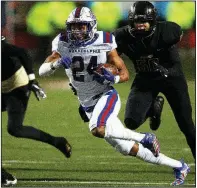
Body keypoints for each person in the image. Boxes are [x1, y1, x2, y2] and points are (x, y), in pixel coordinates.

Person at [39, 7, 190, 186]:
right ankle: (179, 166)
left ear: (92, 26)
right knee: (126, 148)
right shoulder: (62, 42)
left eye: (82, 27)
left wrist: (113, 77)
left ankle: (144, 137)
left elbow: (124, 74)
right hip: (87, 103)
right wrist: (55, 64)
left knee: (98, 129)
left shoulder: (105, 41)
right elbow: (42, 71)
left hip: (105, 95)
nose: (77, 31)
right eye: (74, 27)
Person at [112, 1, 196, 159]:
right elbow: (110, 57)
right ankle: (153, 109)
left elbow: (174, 61)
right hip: (145, 79)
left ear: (152, 21)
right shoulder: (122, 36)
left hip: (172, 79)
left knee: (186, 124)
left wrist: (165, 71)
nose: (141, 25)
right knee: (131, 122)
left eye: (144, 21)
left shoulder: (167, 31)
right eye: (137, 21)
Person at [1, 36, 71, 167]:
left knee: (15, 129)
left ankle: (56, 141)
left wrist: (32, 80)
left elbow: (22, 52)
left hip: (16, 86)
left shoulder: (3, 48)